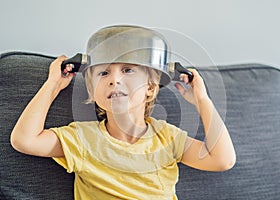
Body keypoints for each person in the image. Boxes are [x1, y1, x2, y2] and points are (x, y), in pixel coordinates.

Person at [10, 25, 236, 199]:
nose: (115, 80)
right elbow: (24, 140)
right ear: (92, 89)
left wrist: (201, 100)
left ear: (150, 87)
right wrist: (53, 85)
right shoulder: (82, 139)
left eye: (127, 70)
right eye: (103, 73)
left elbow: (222, 160)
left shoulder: (167, 137)